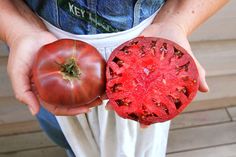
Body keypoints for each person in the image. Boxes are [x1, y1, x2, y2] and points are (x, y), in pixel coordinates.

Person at [0, 0, 228, 157]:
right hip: (42, 51)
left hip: (149, 45)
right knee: (62, 135)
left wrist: (176, 22)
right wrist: (17, 30)